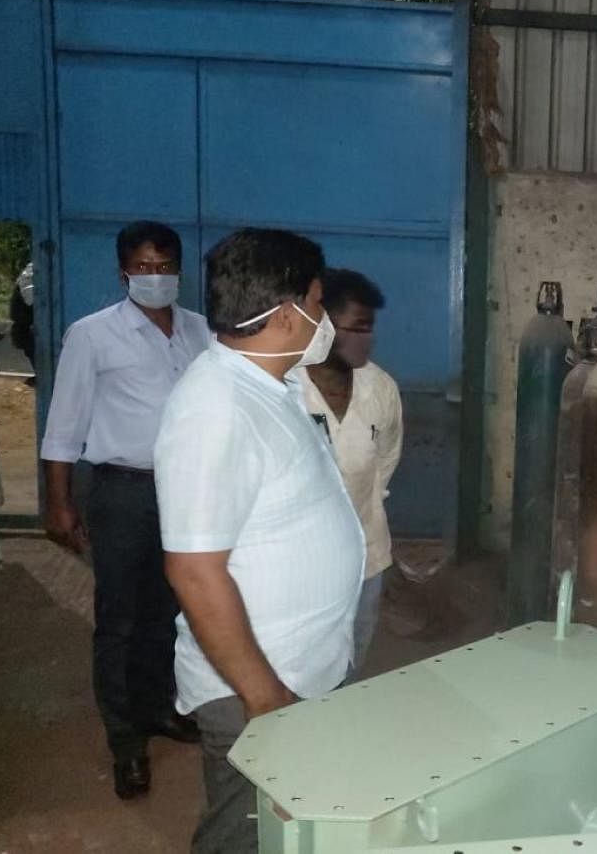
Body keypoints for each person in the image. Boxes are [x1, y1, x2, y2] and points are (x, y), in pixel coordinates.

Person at [155, 229, 365, 853]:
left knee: (290, 831)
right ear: (285, 315)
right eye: (319, 304)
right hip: (259, 686)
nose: (324, 319)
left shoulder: (268, 384)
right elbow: (194, 571)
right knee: (243, 837)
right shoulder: (215, 408)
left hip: (299, 669)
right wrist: (265, 697)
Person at [39, 221, 210, 799]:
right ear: (123, 273)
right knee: (119, 618)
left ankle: (159, 708)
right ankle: (125, 740)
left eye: (164, 265)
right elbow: (64, 424)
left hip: (185, 493)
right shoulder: (92, 336)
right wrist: (59, 502)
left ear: (180, 271)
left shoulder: (201, 333)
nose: (154, 276)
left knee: (170, 609)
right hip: (122, 491)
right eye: (142, 267)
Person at [297, 268, 402, 673]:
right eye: (356, 328)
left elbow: (387, 457)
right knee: (303, 662)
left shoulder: (381, 389)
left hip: (365, 554)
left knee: (352, 657)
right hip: (299, 561)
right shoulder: (286, 387)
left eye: (370, 329)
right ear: (321, 325)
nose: (368, 340)